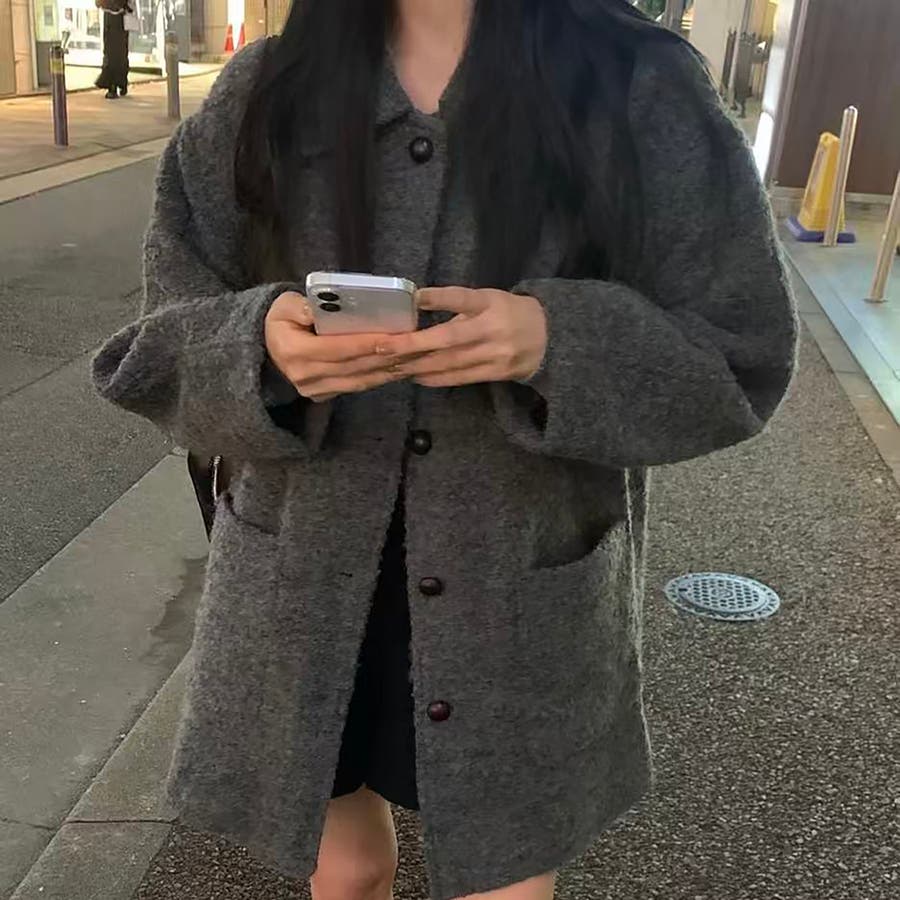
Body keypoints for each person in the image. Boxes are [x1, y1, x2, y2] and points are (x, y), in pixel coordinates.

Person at [92, 1, 798, 898]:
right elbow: (157, 343)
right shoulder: (270, 87)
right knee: (344, 868)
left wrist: (556, 342)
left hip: (517, 590)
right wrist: (258, 346)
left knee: (504, 879)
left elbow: (742, 354)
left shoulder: (636, 85)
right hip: (302, 582)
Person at [94, 0, 131, 99]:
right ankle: (121, 83)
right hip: (119, 18)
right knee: (120, 52)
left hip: (112, 18)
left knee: (112, 52)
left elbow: (98, 3)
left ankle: (114, 86)